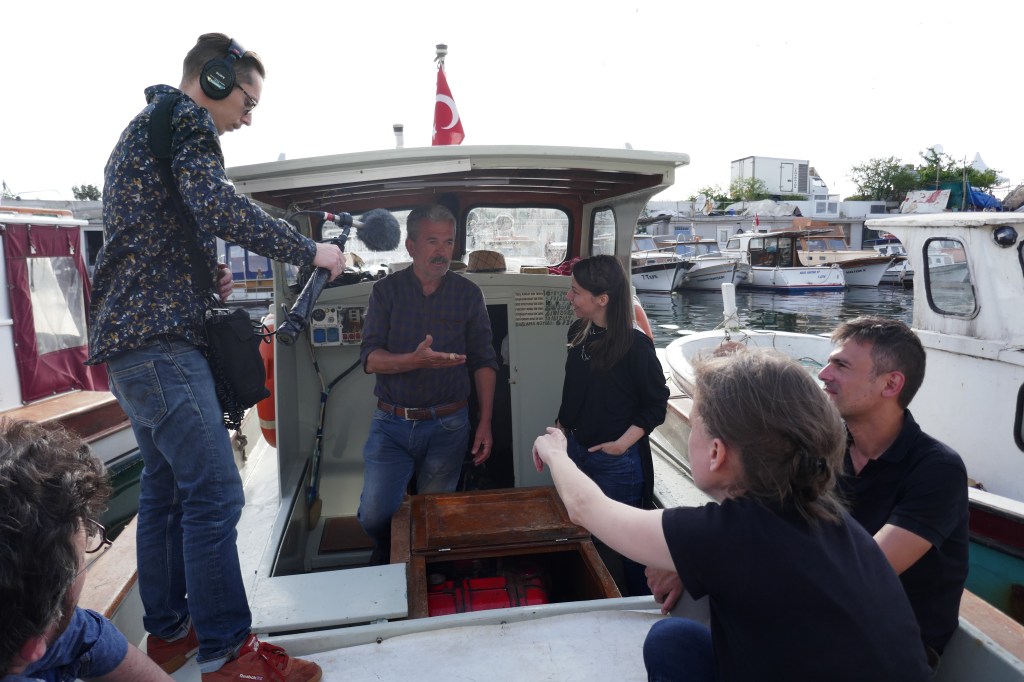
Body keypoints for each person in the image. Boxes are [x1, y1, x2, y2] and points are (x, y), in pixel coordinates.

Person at [87, 33, 342, 681]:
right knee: (218, 494)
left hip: (131, 344)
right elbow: (217, 203)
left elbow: (152, 232)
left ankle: (171, 633)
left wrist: (202, 279)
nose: (248, 118)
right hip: (161, 346)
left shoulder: (147, 128)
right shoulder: (189, 120)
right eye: (248, 102)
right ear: (217, 80)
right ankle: (230, 655)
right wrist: (309, 250)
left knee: (165, 489)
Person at [533, 349, 932, 681]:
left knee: (669, 641)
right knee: (674, 641)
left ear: (716, 453)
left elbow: (587, 508)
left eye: (696, 425)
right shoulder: (828, 518)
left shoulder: (731, 535)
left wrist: (555, 452)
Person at [818, 316, 969, 667]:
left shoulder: (937, 469)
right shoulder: (826, 450)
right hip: (827, 624)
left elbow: (867, 571)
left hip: (891, 649)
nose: (824, 374)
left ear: (891, 384)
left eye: (841, 365)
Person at [358, 203, 498, 564]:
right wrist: (415, 360)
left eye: (448, 242)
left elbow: (484, 361)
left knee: (433, 516)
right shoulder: (385, 292)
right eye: (432, 241)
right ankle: (387, 554)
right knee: (373, 514)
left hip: (448, 425)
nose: (442, 251)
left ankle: (427, 568)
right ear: (411, 246)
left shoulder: (469, 294)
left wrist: (484, 422)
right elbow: (370, 359)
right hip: (391, 424)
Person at [0, 418, 172, 681]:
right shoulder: (32, 636)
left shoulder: (30, 628)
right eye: (82, 559)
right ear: (34, 646)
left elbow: (82, 635)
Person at [556, 255, 669, 595]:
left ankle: (639, 605)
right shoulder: (578, 332)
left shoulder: (636, 346)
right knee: (583, 532)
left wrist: (622, 444)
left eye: (576, 292)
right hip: (576, 451)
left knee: (629, 546)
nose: (569, 297)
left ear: (602, 299)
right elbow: (573, 392)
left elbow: (656, 404)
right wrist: (559, 430)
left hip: (616, 462)